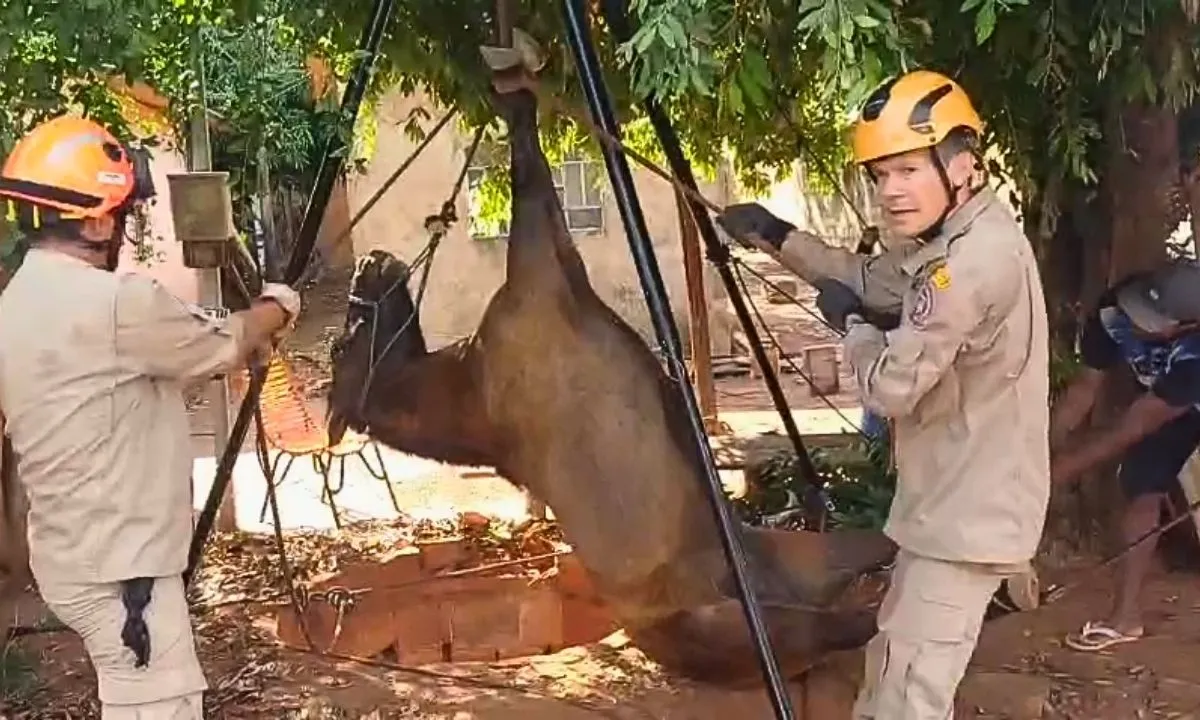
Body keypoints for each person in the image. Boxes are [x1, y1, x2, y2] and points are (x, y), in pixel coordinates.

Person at [716, 69, 1050, 719]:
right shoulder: (955, 238)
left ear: (962, 165)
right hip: (948, 511)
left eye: (907, 171)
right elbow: (871, 278)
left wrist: (854, 327)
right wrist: (778, 237)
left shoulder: (967, 267)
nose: (891, 191)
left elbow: (890, 386)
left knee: (906, 700)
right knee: (893, 674)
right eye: (879, 175)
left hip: (967, 522)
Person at [0, 114, 300, 718]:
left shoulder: (14, 305)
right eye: (122, 215)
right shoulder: (116, 304)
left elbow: (119, 384)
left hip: (72, 559)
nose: (123, 231)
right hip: (122, 572)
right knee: (161, 704)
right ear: (94, 219)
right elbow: (225, 337)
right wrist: (279, 306)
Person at [1049, 260, 1200, 651]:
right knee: (1141, 480)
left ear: (1185, 327)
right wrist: (1042, 449)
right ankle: (1125, 619)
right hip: (1165, 402)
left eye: (1150, 321)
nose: (1134, 322)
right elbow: (1085, 388)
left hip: (1172, 402)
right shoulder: (1113, 309)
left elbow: (1130, 429)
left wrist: (1051, 477)